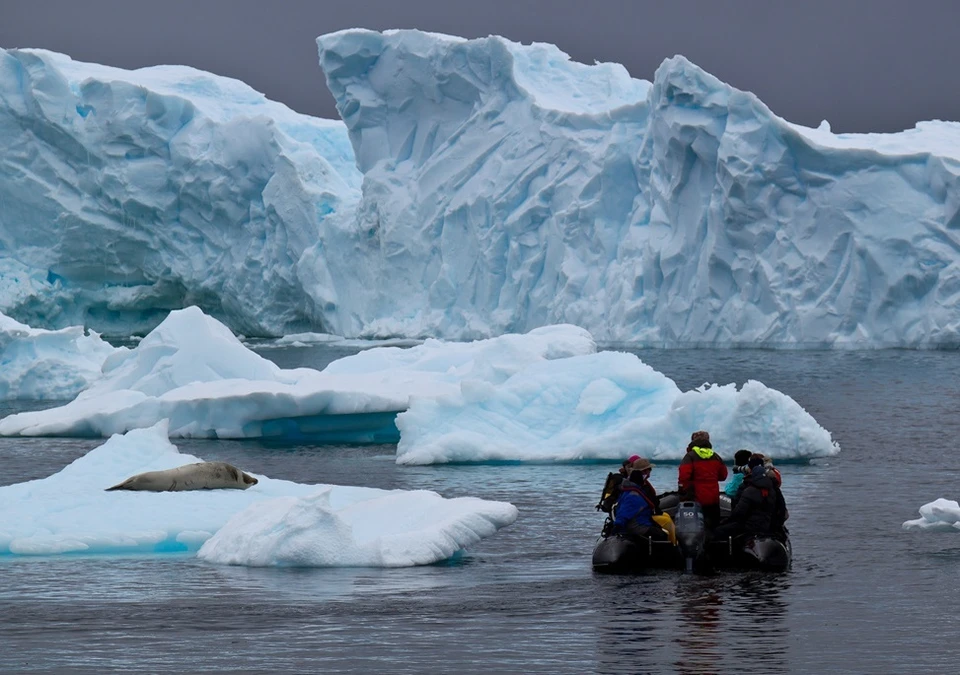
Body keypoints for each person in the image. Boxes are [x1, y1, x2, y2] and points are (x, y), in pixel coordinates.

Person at [712, 455, 777, 541]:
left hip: (750, 526)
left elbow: (739, 512)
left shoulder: (749, 490)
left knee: (719, 531)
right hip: (766, 525)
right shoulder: (773, 490)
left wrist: (726, 521)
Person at [678, 430, 728, 529]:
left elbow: (684, 476)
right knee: (713, 526)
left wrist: (683, 493)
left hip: (695, 497)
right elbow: (723, 476)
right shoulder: (716, 456)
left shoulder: (690, 456)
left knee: (695, 526)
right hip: (713, 498)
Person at [612, 465, 667, 541]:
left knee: (658, 530)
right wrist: (617, 527)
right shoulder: (634, 495)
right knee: (662, 535)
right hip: (637, 526)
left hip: (642, 521)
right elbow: (624, 513)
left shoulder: (629, 491)